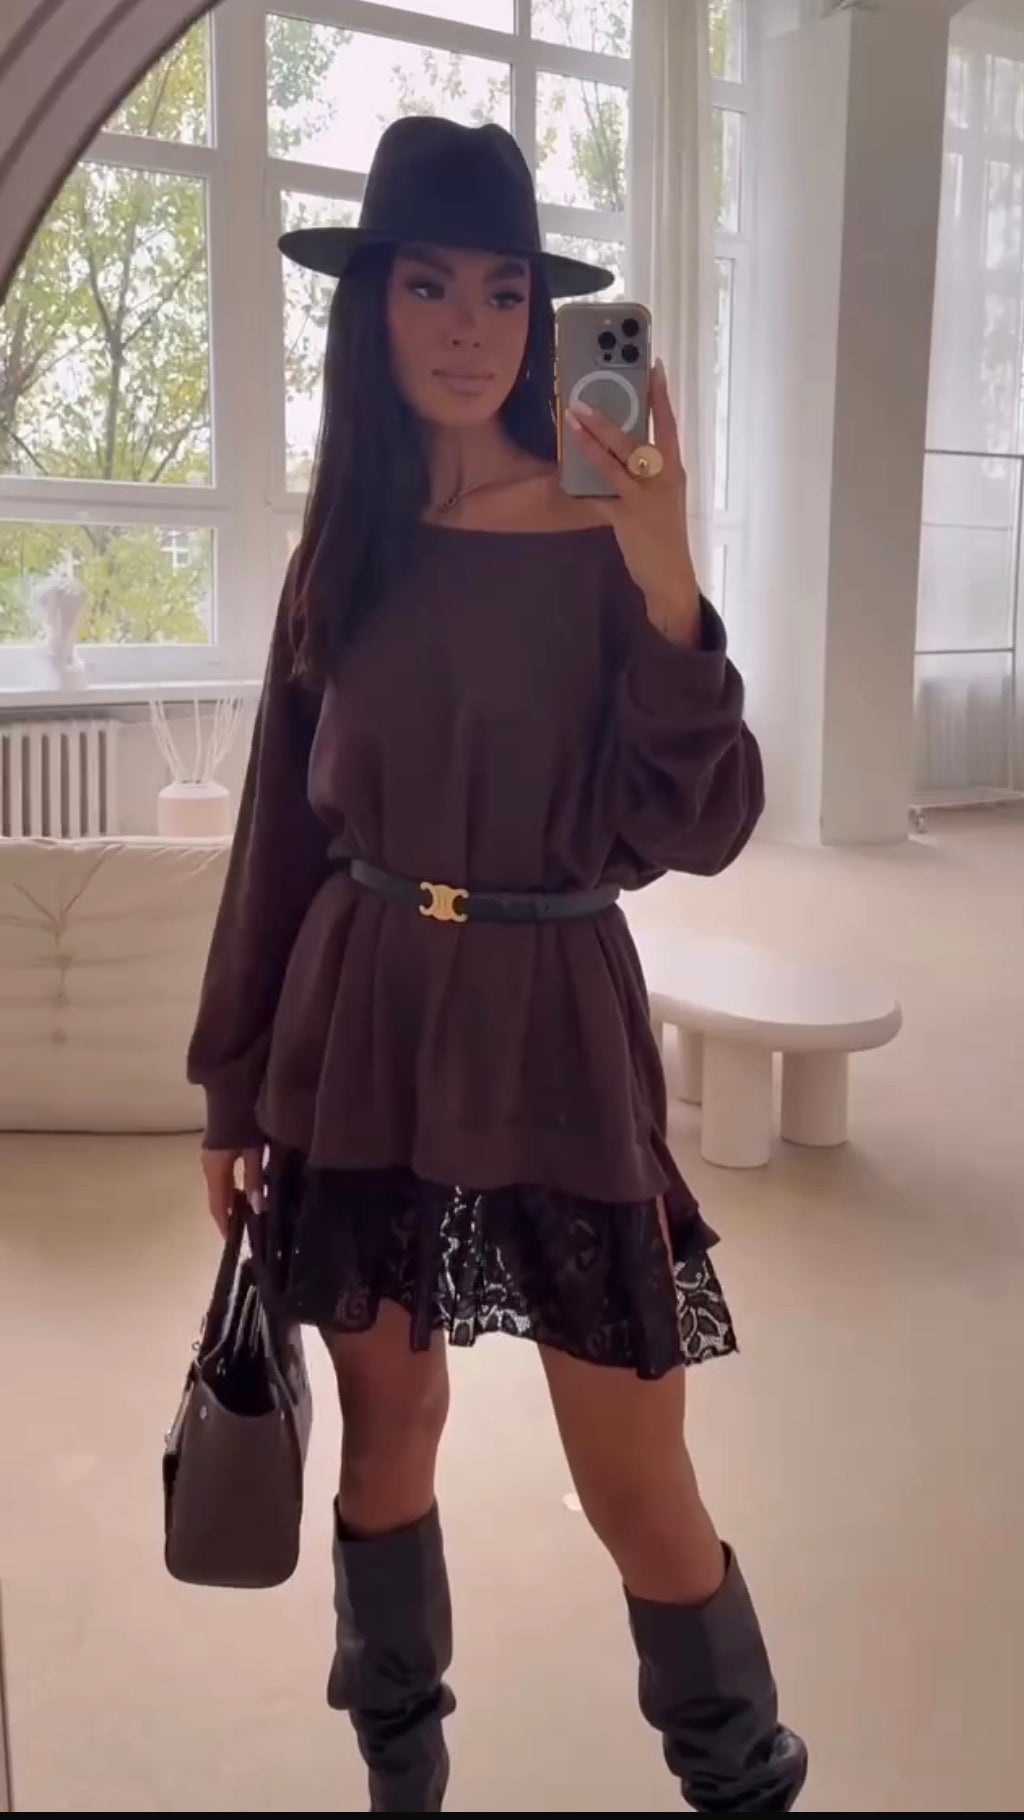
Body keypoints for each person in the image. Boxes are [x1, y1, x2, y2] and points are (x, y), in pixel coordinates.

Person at [188, 116, 807, 1815]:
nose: (468, 326)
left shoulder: (611, 535)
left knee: (636, 1476)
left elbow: (704, 823)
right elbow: (278, 836)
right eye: (427, 285)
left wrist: (668, 581)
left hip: (554, 1020)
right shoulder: (347, 544)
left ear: (546, 319)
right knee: (388, 1434)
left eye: (505, 290)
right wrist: (231, 1086)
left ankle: (741, 1780)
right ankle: (402, 1781)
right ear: (370, 308)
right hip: (363, 1019)